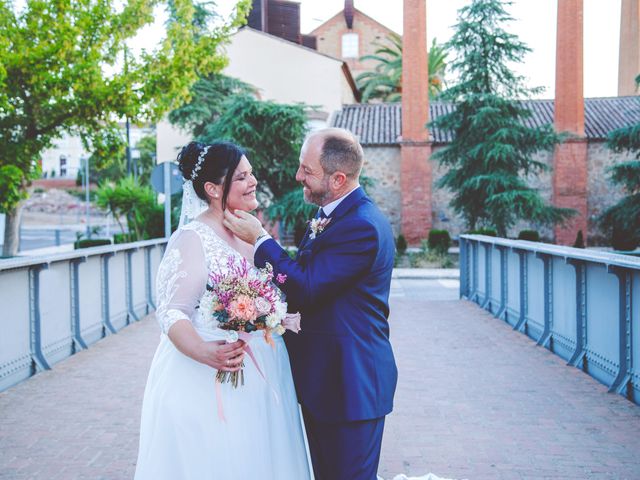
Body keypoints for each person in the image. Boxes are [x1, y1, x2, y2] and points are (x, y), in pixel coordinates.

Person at [224, 128, 398, 480]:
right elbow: (305, 276)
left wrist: (260, 240)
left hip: (351, 384)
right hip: (326, 381)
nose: (298, 176)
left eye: (307, 170)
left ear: (337, 179)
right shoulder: (333, 215)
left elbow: (307, 287)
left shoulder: (361, 226)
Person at [134, 141, 311, 480]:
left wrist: (278, 316)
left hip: (268, 370)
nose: (254, 181)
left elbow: (278, 287)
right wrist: (202, 350)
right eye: (242, 176)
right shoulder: (192, 238)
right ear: (213, 189)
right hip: (211, 374)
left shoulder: (252, 232)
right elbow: (172, 311)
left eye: (252, 173)